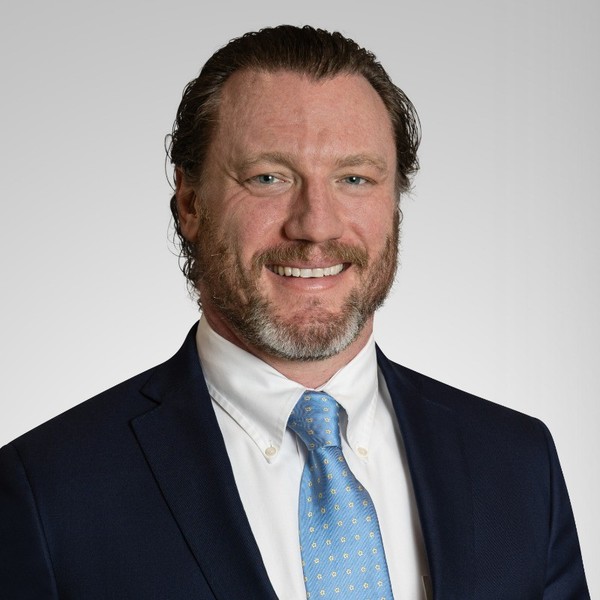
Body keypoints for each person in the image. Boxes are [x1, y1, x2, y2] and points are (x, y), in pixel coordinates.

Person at [0, 25, 589, 600]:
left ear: (394, 201)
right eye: (269, 178)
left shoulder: (516, 462)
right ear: (190, 203)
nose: (316, 226)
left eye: (354, 178)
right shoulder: (48, 492)